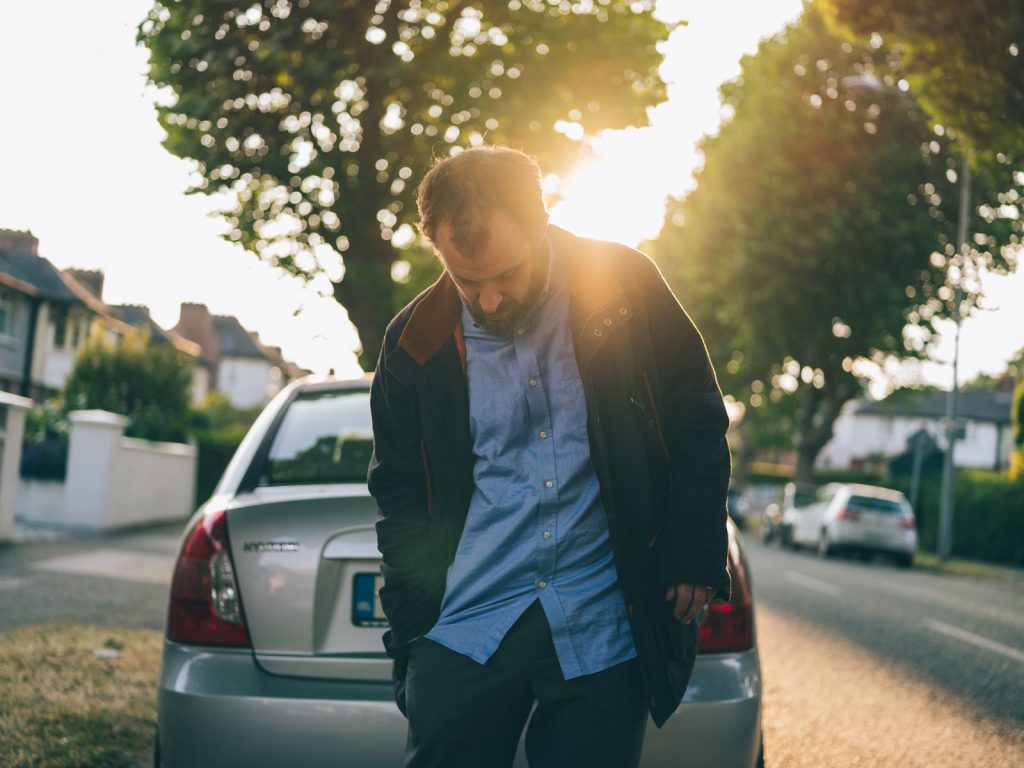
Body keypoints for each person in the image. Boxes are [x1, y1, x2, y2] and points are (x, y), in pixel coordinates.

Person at [368, 146, 732, 768]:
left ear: (540, 224)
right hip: (464, 621)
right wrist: (413, 631)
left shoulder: (626, 285)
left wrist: (693, 548)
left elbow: (696, 417)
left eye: (506, 274)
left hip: (603, 618)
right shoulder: (413, 346)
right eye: (467, 282)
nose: (488, 300)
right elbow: (398, 494)